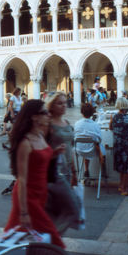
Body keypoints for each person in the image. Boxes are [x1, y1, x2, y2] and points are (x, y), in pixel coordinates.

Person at [4, 99, 66, 249]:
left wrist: (53, 153)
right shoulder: (25, 143)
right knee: (55, 242)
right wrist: (24, 212)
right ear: (34, 116)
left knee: (23, 237)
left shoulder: (39, 135)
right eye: (45, 112)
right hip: (28, 196)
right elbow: (22, 179)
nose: (49, 115)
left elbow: (37, 159)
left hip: (40, 194)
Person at [45, 92, 81, 233]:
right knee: (71, 208)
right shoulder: (48, 125)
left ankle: (51, 240)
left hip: (65, 170)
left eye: (65, 102)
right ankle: (52, 239)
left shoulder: (66, 123)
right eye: (60, 103)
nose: (64, 105)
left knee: (61, 209)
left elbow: (70, 149)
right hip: (52, 171)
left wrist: (74, 171)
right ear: (52, 105)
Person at [74, 103, 104, 179]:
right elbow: (99, 139)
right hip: (91, 150)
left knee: (87, 144)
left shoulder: (77, 123)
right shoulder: (95, 125)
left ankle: (86, 170)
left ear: (81, 112)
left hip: (79, 150)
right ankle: (103, 170)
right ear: (92, 113)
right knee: (99, 147)